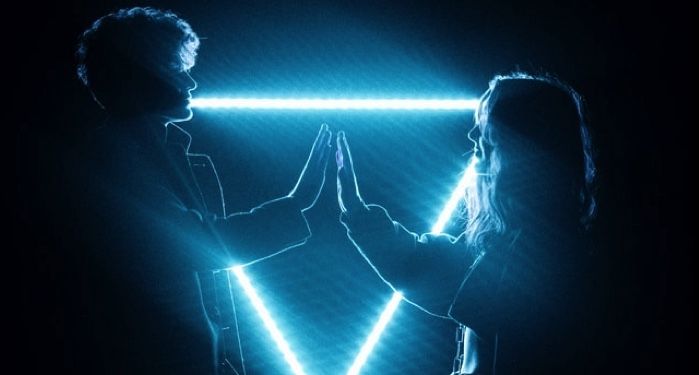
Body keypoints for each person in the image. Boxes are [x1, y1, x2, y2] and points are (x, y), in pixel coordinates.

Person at [64, 7, 331, 374]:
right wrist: (298, 202)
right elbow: (190, 244)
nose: (192, 85)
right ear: (137, 77)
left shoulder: (170, 156)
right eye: (179, 71)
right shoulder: (108, 162)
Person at [336, 73, 599, 374]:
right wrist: (357, 212)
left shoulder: (543, 254)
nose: (473, 135)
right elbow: (425, 266)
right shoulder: (509, 242)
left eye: (486, 123)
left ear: (522, 140)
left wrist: (359, 216)